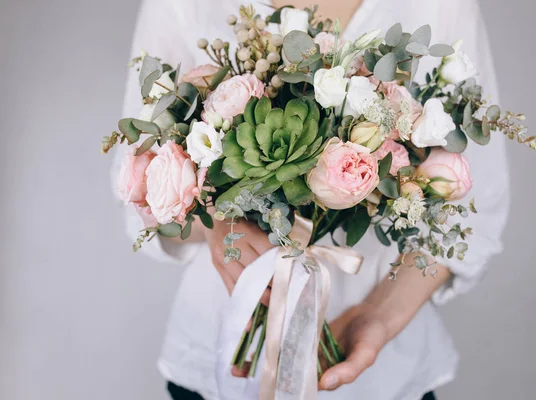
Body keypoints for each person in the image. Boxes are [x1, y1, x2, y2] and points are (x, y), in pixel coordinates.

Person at [114, 0, 510, 399]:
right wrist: (217, 224)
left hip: (382, 373)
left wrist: (377, 316)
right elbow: (141, 183)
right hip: (220, 356)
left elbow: (479, 209)